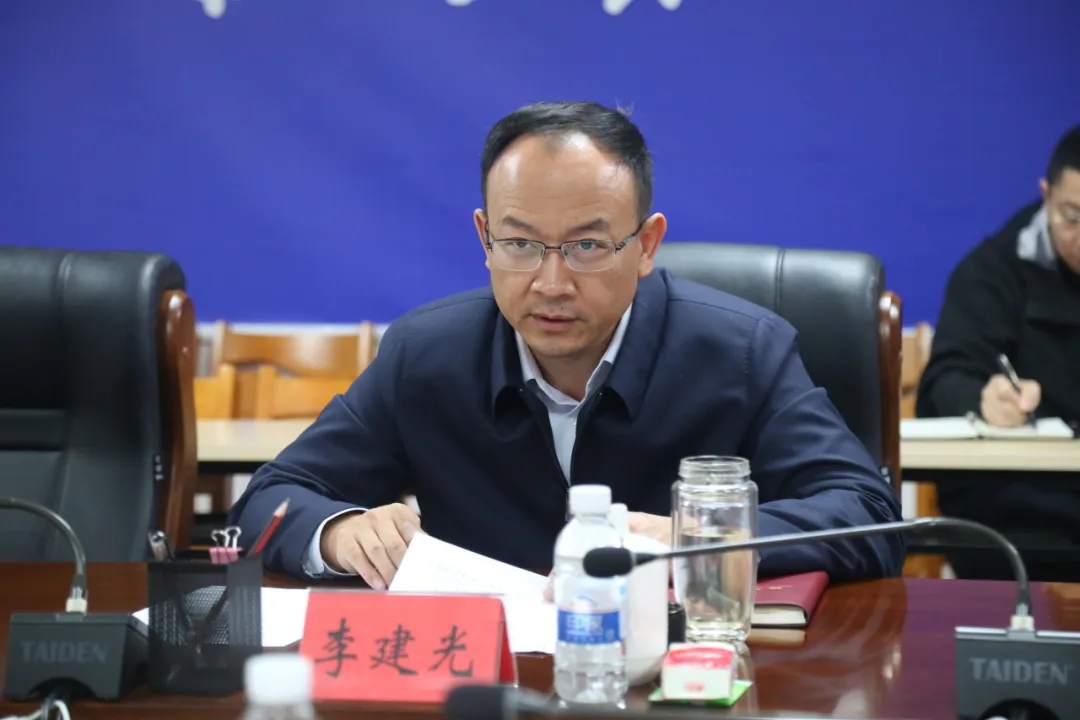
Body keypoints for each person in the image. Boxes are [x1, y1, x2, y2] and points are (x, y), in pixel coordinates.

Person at [228, 101, 903, 587]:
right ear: (484, 238)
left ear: (646, 245)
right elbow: (270, 498)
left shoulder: (742, 351)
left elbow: (867, 514)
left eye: (586, 246)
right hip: (488, 681)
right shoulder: (426, 354)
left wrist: (697, 539)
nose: (551, 283)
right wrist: (339, 531)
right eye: (520, 244)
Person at [917, 124, 1080, 581]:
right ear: (1047, 195)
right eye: (1072, 217)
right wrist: (983, 399)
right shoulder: (991, 272)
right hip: (1020, 511)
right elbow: (946, 378)